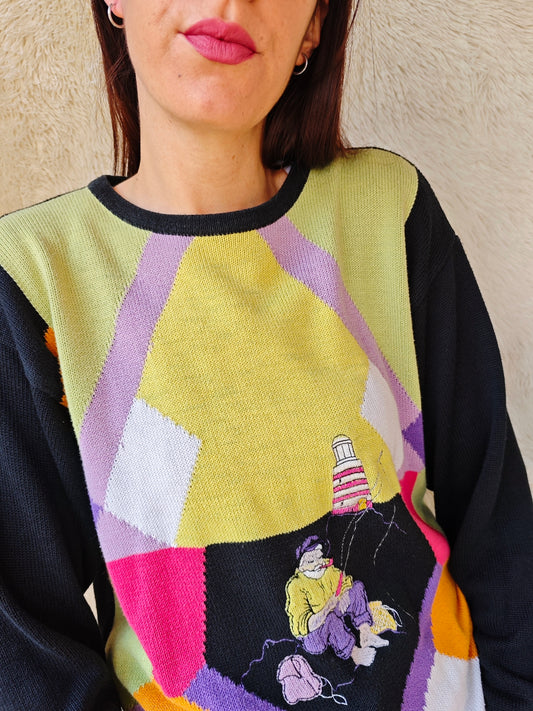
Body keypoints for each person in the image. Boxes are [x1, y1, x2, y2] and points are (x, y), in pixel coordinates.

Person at [0, 1, 531, 709]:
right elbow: (29, 657)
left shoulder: (389, 211)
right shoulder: (32, 279)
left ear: (312, 26)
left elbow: (500, 534)